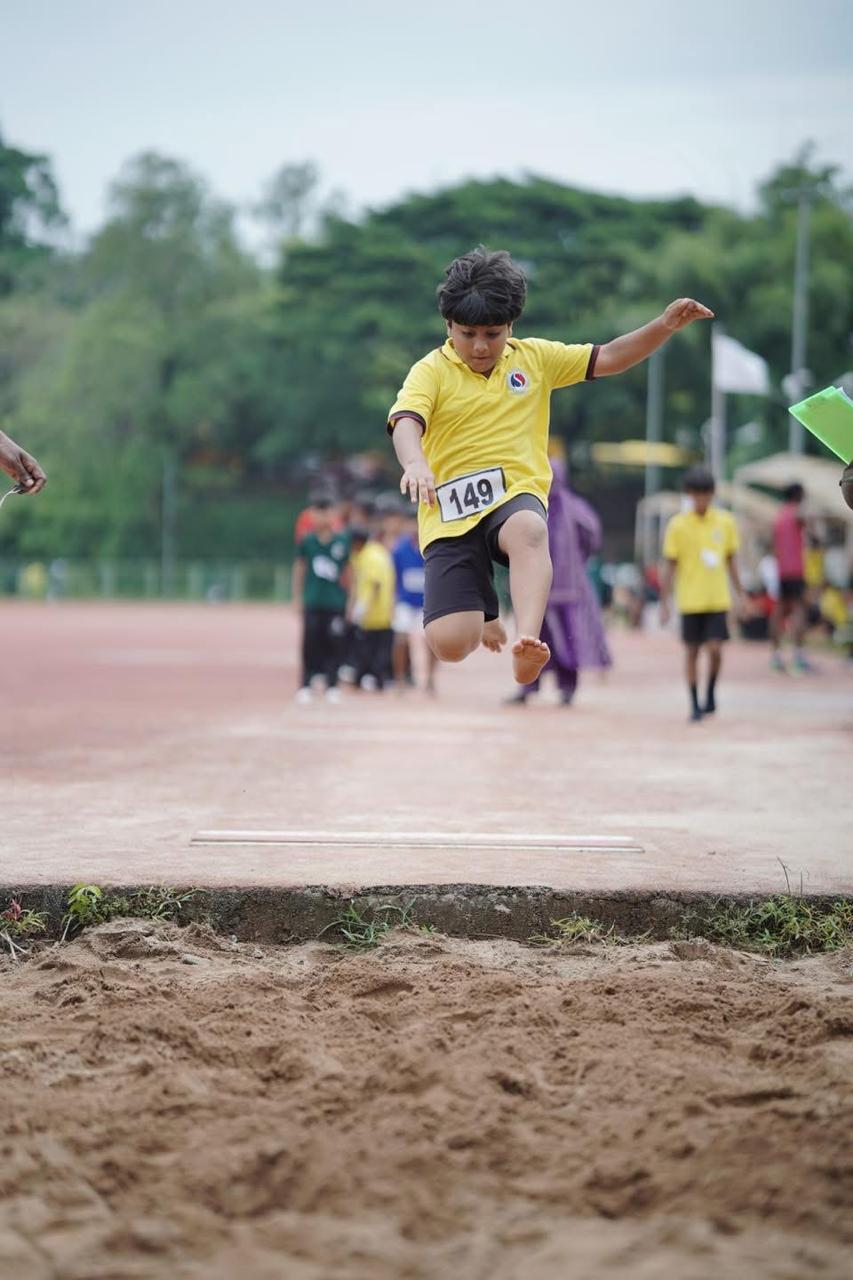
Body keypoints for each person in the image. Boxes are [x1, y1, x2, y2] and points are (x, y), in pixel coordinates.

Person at [386, 246, 713, 686]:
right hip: (450, 512)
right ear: (448, 326)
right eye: (467, 334)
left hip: (514, 492)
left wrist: (665, 325)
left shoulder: (535, 359)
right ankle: (485, 613)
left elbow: (610, 357)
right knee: (449, 643)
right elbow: (407, 420)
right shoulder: (431, 370)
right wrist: (416, 463)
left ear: (511, 327)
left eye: (492, 333)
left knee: (529, 529)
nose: (480, 346)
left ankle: (527, 642)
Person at [506, 456, 611, 705]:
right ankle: (527, 687)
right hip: (535, 588)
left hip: (568, 590)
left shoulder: (574, 509)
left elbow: (593, 538)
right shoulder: (530, 507)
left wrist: (576, 561)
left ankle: (567, 688)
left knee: (568, 640)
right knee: (531, 639)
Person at [659, 467, 744, 722]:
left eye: (705, 495)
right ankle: (694, 703)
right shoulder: (678, 525)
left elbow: (731, 561)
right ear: (689, 495)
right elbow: (670, 566)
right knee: (692, 651)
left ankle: (711, 691)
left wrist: (742, 594)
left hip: (717, 598)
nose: (701, 501)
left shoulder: (725, 522)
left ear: (712, 494)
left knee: (716, 649)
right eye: (696, 495)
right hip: (690, 599)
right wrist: (665, 601)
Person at [291, 497, 350, 704]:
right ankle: (306, 684)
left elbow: (350, 572)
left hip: (335, 602)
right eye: (317, 512)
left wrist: (351, 601)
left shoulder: (342, 541)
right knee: (310, 642)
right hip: (313, 601)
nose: (321, 516)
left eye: (325, 511)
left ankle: (332, 685)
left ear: (333, 515)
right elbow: (299, 568)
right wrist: (297, 597)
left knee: (334, 643)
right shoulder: (307, 541)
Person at [392, 512, 438, 695]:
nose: (414, 528)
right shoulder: (399, 549)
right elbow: (394, 576)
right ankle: (400, 679)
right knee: (400, 639)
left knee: (432, 642)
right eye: (411, 524)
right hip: (405, 602)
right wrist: (393, 601)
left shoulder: (432, 544)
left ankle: (430, 679)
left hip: (427, 602)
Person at [770, 483, 812, 674]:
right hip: (795, 570)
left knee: (779, 612)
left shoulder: (779, 515)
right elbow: (810, 528)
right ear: (798, 495)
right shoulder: (798, 513)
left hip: (781, 571)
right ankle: (798, 656)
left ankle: (776, 656)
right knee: (798, 611)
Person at [350, 522, 396, 691]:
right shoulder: (378, 551)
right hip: (384, 610)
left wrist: (361, 608)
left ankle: (368, 678)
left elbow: (375, 584)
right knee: (380, 648)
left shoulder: (368, 556)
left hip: (374, 613)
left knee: (369, 649)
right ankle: (377, 679)